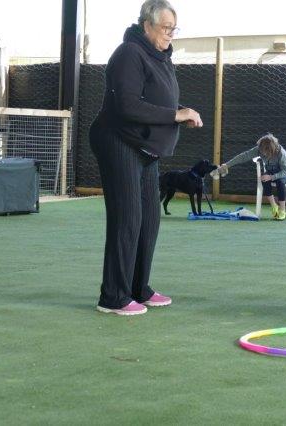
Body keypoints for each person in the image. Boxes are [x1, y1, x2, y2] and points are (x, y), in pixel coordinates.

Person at [89, 0, 203, 315]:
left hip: (146, 149)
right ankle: (113, 296)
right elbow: (128, 105)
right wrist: (176, 115)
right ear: (146, 25)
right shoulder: (129, 53)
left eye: (174, 28)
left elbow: (158, 101)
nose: (170, 34)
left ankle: (138, 288)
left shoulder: (161, 57)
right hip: (118, 141)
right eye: (166, 27)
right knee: (127, 218)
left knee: (150, 219)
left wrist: (180, 112)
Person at [219, 133, 286, 220]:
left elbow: (285, 171)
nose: (263, 153)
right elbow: (244, 156)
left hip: (282, 174)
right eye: (261, 151)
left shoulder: (281, 153)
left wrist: (271, 177)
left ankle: (282, 210)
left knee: (280, 183)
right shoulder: (259, 149)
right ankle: (274, 205)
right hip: (269, 172)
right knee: (264, 179)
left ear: (271, 149)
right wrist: (227, 165)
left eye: (265, 152)